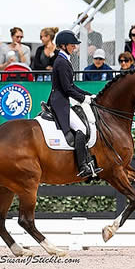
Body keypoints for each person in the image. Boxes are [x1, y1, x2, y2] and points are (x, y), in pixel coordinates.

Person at [47, 30, 102, 178]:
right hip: (60, 102)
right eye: (72, 45)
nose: (75, 47)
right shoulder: (62, 62)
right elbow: (67, 88)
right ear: (63, 45)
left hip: (62, 99)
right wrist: (83, 99)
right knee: (81, 128)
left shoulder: (64, 59)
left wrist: (88, 95)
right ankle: (82, 166)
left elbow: (72, 85)